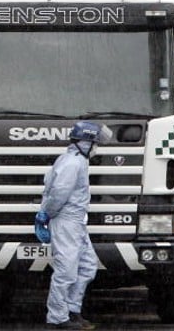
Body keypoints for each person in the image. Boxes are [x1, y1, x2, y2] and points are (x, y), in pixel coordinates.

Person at [37, 120, 111, 330]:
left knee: (87, 266)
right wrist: (46, 214)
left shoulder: (77, 160)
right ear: (86, 143)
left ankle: (72, 310)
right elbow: (59, 192)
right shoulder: (72, 162)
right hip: (66, 221)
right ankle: (57, 318)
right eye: (95, 143)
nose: (97, 148)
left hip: (76, 222)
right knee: (66, 271)